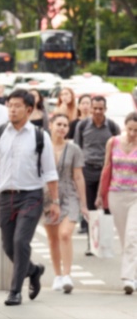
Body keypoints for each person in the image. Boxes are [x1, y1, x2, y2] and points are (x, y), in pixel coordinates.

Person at [0, 89, 60, 306]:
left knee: (21, 241)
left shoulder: (40, 137)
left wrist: (55, 202)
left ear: (29, 110)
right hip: (5, 196)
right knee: (8, 247)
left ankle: (15, 291)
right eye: (10, 105)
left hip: (31, 195)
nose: (12, 109)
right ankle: (34, 271)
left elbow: (50, 173)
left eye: (17, 106)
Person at [43, 113, 87, 294]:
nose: (62, 128)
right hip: (47, 195)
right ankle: (58, 275)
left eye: (65, 125)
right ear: (51, 125)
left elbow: (78, 176)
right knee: (53, 238)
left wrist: (84, 204)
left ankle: (68, 275)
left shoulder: (74, 148)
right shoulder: (43, 147)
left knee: (65, 234)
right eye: (58, 124)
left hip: (69, 195)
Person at [95, 112, 137, 294]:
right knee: (124, 238)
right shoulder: (113, 142)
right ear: (124, 126)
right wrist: (100, 194)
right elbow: (106, 168)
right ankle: (133, 273)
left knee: (132, 237)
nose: (133, 133)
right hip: (116, 194)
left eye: (136, 130)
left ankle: (128, 278)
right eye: (130, 129)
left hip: (135, 195)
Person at [74, 95, 120, 252]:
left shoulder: (112, 127)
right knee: (90, 208)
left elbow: (119, 148)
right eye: (95, 108)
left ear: (105, 109)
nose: (98, 111)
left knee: (107, 207)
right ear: (91, 108)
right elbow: (77, 148)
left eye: (101, 108)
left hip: (106, 171)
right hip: (88, 170)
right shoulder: (82, 125)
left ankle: (105, 244)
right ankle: (91, 244)